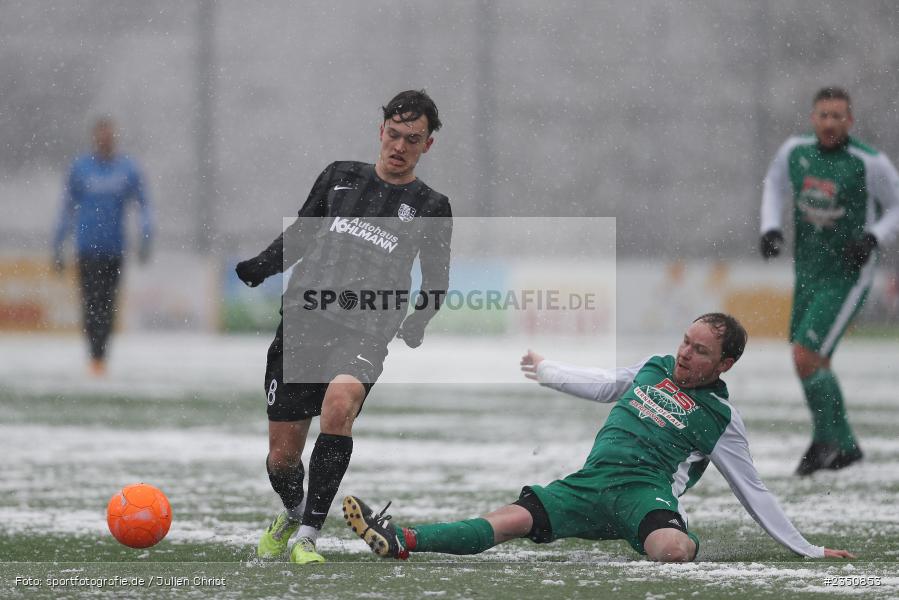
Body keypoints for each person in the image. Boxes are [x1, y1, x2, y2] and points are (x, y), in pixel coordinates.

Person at [343, 313, 855, 562]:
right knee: (506, 520)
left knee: (671, 551)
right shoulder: (655, 368)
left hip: (644, 496)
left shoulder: (720, 416)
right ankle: (401, 539)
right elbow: (609, 383)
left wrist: (806, 549)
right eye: (684, 340)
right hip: (587, 485)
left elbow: (754, 490)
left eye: (699, 350)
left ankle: (672, 533)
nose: (683, 353)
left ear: (725, 363)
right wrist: (548, 371)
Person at [235, 90, 452, 564]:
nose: (399, 146)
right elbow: (301, 235)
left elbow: (437, 278)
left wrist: (418, 319)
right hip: (302, 324)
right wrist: (261, 266)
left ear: (427, 145)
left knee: (339, 404)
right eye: (393, 134)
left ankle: (308, 537)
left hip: (365, 331)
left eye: (411, 139)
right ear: (381, 131)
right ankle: (293, 511)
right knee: (282, 458)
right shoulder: (339, 177)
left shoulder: (432, 206)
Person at [759, 87, 899, 476]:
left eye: (838, 116)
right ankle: (843, 446)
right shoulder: (795, 152)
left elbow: (896, 206)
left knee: (805, 354)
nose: (830, 122)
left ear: (850, 121)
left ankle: (828, 442)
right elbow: (774, 185)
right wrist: (770, 228)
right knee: (812, 359)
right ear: (813, 118)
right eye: (824, 115)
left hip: (847, 275)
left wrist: (873, 237)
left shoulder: (869, 162)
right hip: (808, 269)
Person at [52, 117, 153, 376]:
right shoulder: (81, 168)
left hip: (114, 249)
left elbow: (144, 204)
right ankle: (94, 354)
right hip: (86, 249)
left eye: (109, 135)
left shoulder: (127, 169)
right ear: (95, 138)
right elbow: (66, 207)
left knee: (108, 304)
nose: (105, 140)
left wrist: (146, 236)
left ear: (114, 138)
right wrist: (58, 243)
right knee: (90, 302)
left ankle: (102, 354)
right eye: (101, 135)